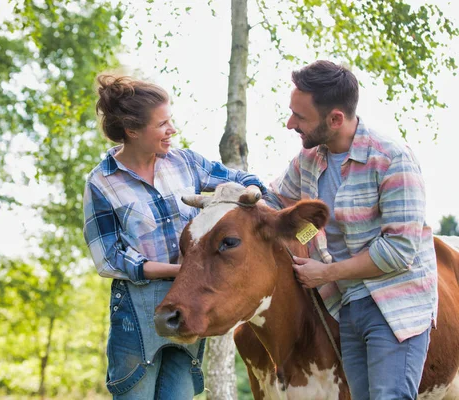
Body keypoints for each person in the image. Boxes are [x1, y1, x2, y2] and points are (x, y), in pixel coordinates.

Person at [83, 74, 266, 399]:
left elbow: (244, 178)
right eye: (163, 124)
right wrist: (176, 270)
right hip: (137, 311)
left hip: (191, 302)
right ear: (132, 130)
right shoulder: (102, 182)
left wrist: (250, 191)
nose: (173, 130)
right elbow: (109, 256)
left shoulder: (186, 163)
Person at [266, 60, 437, 399]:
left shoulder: (392, 159)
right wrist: (233, 193)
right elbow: (277, 201)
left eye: (300, 117)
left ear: (335, 119)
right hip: (347, 305)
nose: (290, 124)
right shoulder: (309, 160)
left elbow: (399, 251)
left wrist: (326, 272)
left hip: (393, 305)